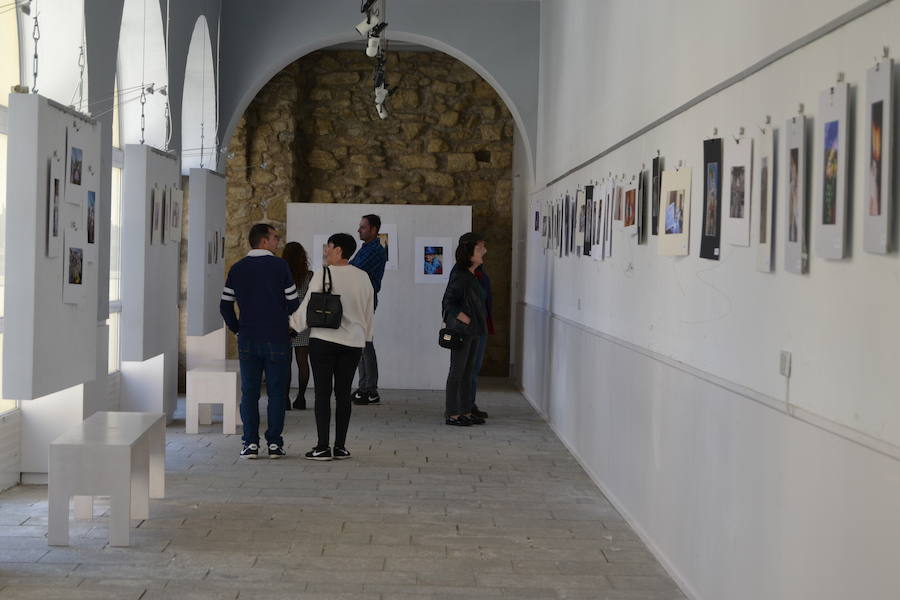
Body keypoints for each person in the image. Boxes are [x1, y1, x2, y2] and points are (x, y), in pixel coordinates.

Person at [291, 233, 374, 460]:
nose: (325, 251)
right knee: (344, 394)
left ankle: (321, 447)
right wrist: (365, 337)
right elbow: (369, 311)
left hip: (324, 341)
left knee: (322, 394)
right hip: (353, 344)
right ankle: (340, 447)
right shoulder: (363, 277)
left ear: (338, 250)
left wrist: (291, 328)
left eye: (328, 247)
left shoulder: (322, 274)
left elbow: (307, 308)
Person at [221, 223, 300, 459]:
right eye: (275, 237)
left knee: (250, 393)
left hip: (248, 338)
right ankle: (275, 443)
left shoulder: (237, 268)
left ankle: (250, 443)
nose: (278, 241)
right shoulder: (280, 266)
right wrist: (288, 326)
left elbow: (225, 305)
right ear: (264, 241)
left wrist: (237, 329)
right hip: (277, 338)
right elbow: (294, 303)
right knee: (276, 393)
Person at [441, 232, 488, 426]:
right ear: (469, 253)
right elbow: (448, 303)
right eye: (479, 248)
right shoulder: (460, 275)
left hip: (474, 331)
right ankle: (452, 413)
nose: (484, 251)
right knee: (457, 372)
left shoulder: (471, 275)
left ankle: (466, 411)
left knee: (468, 373)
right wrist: (465, 318)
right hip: (463, 332)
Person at [349, 214, 387, 406]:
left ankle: (370, 389)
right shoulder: (365, 248)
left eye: (363, 227)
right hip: (359, 301)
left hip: (365, 301)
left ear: (373, 229)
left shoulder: (375, 250)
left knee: (365, 344)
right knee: (360, 344)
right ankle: (364, 386)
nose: (359, 230)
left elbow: (353, 269)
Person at [282, 242, 314, 410]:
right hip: (303, 322)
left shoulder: (281, 274)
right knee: (303, 361)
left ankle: (285, 398)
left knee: (285, 362)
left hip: (285, 321)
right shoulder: (310, 275)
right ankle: (301, 398)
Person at [470, 243, 494, 420]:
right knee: (467, 369)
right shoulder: (467, 275)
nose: (485, 251)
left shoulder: (479, 273)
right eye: (480, 248)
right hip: (473, 327)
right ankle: (464, 406)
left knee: (474, 368)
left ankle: (469, 404)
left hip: (481, 325)